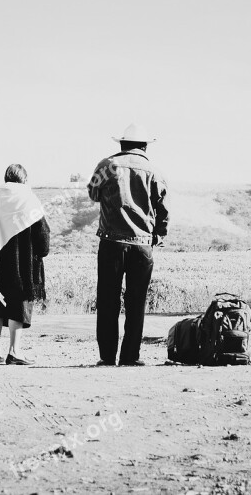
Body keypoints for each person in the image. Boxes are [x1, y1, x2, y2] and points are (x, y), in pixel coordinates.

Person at [87, 123, 170, 367]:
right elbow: (163, 209)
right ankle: (130, 356)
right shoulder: (154, 171)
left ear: (121, 144)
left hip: (111, 242)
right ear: (144, 146)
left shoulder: (107, 165)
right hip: (142, 244)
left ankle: (107, 356)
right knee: (136, 302)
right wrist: (158, 235)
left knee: (108, 300)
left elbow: (92, 193)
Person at [0, 164, 50, 365]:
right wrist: (41, 252)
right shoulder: (28, 199)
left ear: (6, 178)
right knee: (19, 304)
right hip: (22, 264)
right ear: (24, 180)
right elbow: (43, 240)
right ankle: (15, 351)